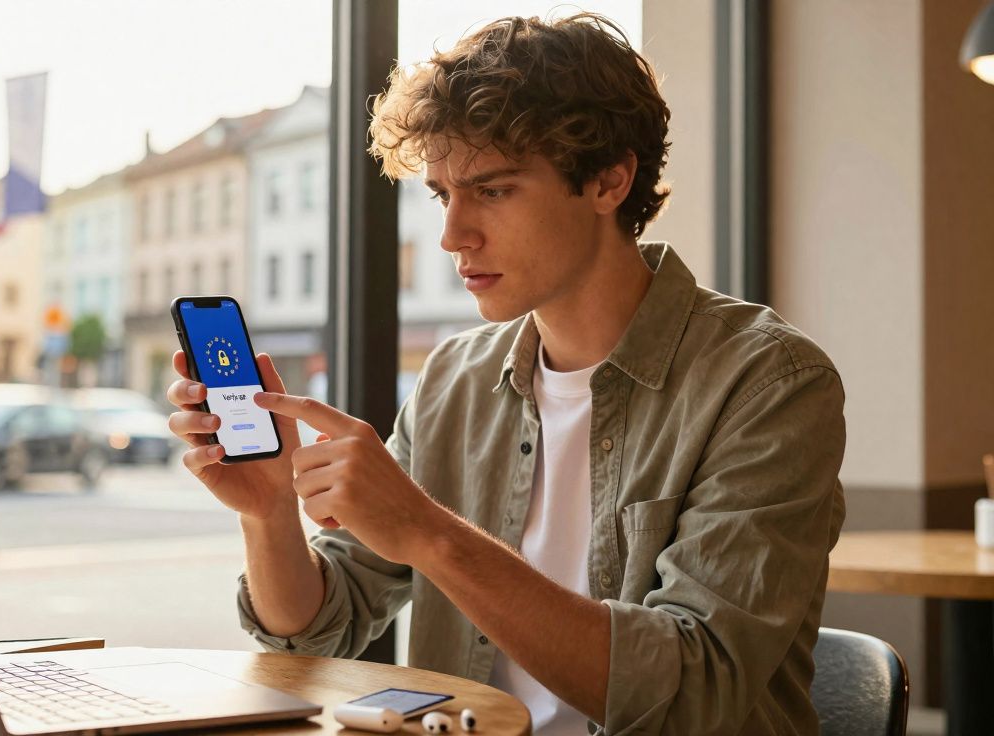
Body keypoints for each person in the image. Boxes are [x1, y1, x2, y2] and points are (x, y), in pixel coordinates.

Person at [166, 14, 844, 736]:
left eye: (491, 190)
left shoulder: (769, 382)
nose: (453, 235)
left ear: (611, 179)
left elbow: (690, 693)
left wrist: (429, 533)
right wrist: (269, 514)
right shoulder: (456, 377)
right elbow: (317, 627)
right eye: (441, 195)